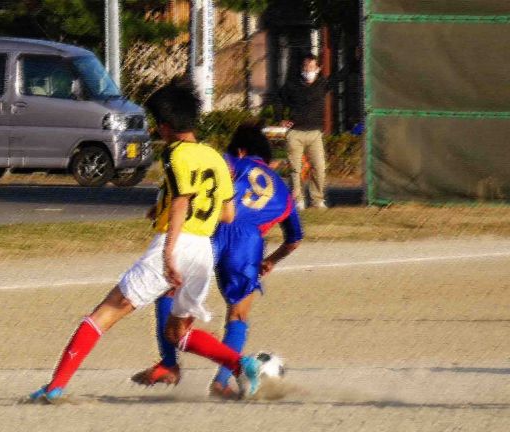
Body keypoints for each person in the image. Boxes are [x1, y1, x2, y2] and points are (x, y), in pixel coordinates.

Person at [29, 81, 264, 403]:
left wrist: (169, 252)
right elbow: (227, 214)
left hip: (176, 244)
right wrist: (167, 207)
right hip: (202, 251)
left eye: (157, 124)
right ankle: (241, 364)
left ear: (165, 126)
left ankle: (55, 387)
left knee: (104, 314)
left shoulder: (174, 153)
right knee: (177, 333)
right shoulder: (215, 157)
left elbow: (181, 201)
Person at [132, 122, 303, 398]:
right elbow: (294, 239)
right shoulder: (282, 191)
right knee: (238, 314)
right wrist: (271, 260)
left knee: (169, 290)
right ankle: (222, 382)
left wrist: (161, 206)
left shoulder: (231, 161)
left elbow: (195, 179)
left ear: (241, 150)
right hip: (248, 243)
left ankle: (169, 363)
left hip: (212, 228)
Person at [277, 53, 347, 210]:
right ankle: (298, 200)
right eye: (306, 67)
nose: (308, 70)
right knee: (295, 169)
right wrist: (280, 118)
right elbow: (278, 99)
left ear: (318, 68)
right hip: (295, 133)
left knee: (320, 167)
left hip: (315, 134)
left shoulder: (323, 84)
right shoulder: (292, 85)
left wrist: (355, 58)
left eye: (312, 67)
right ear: (302, 68)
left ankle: (317, 199)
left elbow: (341, 75)